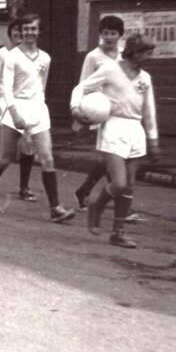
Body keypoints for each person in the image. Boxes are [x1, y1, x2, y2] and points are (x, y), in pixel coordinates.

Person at [0, 13, 74, 222]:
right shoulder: (12, 56)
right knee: (5, 157)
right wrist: (14, 113)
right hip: (15, 108)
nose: (30, 33)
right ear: (20, 32)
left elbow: (42, 85)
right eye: (26, 29)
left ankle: (55, 208)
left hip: (38, 109)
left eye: (33, 29)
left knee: (47, 158)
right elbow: (5, 87)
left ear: (38, 31)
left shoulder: (45, 58)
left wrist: (39, 108)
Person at [71, 34, 159, 248]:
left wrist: (153, 138)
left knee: (128, 186)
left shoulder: (145, 78)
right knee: (118, 183)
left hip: (135, 130)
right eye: (147, 53)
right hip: (113, 126)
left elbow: (149, 110)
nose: (150, 58)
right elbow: (81, 87)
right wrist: (75, 108)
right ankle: (96, 205)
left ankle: (118, 233)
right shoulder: (111, 69)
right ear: (135, 52)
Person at [0, 20, 37, 202]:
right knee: (6, 152)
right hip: (6, 106)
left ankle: (24, 188)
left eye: (23, 32)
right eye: (16, 32)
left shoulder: (31, 55)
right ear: (10, 33)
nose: (20, 35)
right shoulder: (2, 54)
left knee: (28, 147)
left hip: (26, 107)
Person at [72, 16, 125, 210]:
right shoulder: (93, 56)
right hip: (98, 111)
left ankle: (84, 190)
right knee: (113, 156)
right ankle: (120, 203)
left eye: (113, 33)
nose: (109, 37)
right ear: (100, 34)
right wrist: (78, 113)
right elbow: (83, 83)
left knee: (109, 158)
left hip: (118, 111)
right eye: (105, 33)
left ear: (120, 35)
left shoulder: (123, 56)